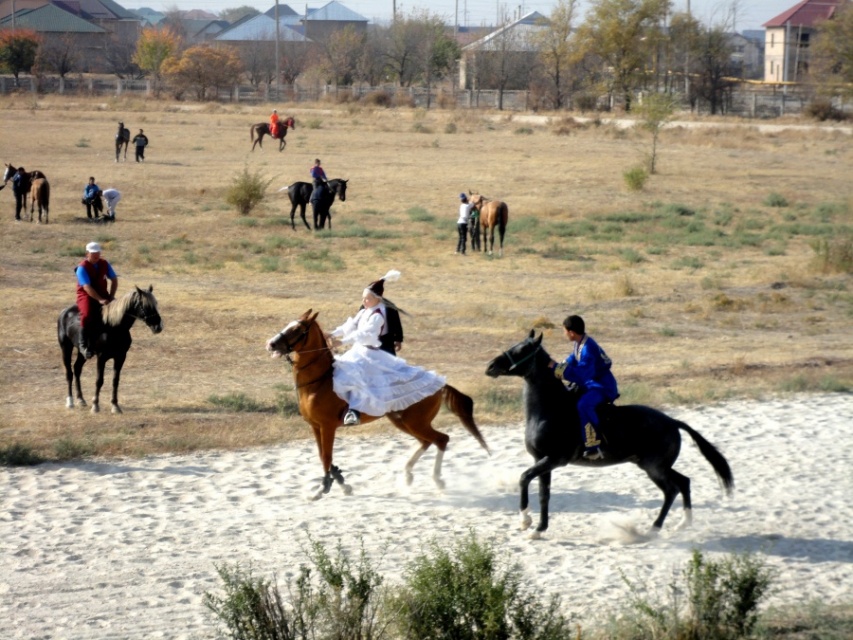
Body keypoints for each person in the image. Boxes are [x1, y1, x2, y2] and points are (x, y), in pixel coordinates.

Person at [325, 270, 444, 426]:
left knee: (361, 380)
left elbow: (365, 334)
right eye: (363, 298)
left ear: (377, 298)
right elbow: (351, 325)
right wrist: (332, 333)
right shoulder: (365, 311)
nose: (364, 301)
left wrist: (342, 342)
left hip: (371, 354)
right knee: (341, 372)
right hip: (358, 351)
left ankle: (354, 411)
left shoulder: (378, 315)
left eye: (367, 298)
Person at [547, 315, 619, 460]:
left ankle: (593, 445)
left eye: (564, 331)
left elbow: (581, 374)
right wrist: (556, 366)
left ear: (571, 332)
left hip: (601, 387)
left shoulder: (588, 349)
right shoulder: (580, 344)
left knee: (583, 405)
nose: (564, 334)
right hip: (591, 384)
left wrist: (556, 368)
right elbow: (571, 360)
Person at [75, 241, 118, 359]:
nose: (96, 256)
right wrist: (99, 300)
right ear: (87, 254)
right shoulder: (81, 268)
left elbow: (114, 279)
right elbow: (86, 287)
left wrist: (111, 296)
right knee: (87, 314)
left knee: (118, 311)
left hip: (103, 294)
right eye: (93, 253)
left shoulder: (104, 264)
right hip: (86, 296)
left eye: (98, 253)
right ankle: (83, 344)